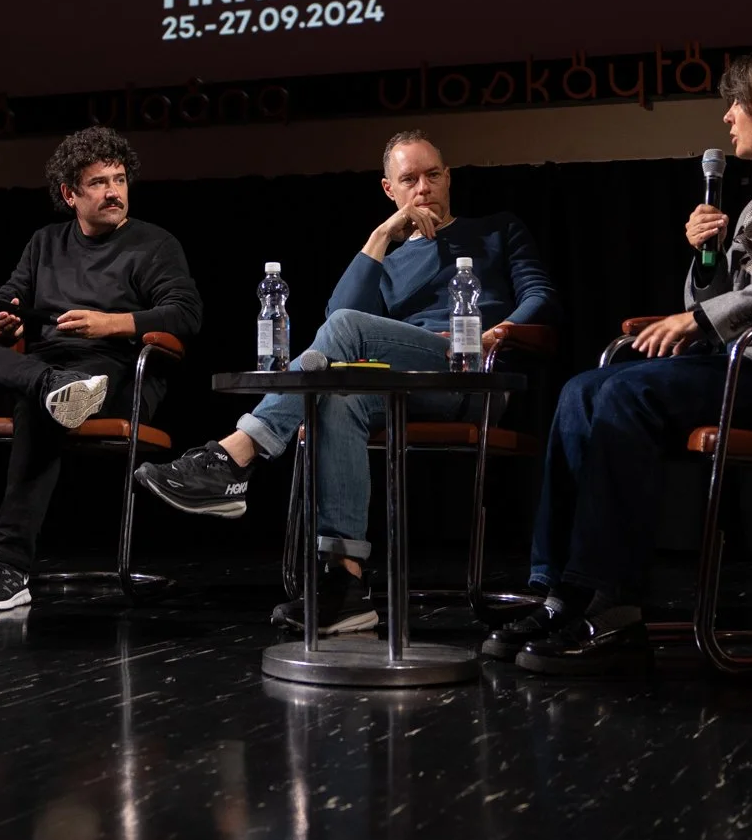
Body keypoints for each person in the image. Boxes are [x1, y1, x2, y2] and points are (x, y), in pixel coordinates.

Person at [495, 45, 752, 674]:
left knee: (626, 394)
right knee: (582, 390)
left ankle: (612, 603)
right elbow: (712, 301)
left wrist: (706, 315)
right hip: (747, 362)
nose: (729, 116)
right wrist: (705, 256)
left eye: (739, 102)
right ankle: (560, 591)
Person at [136, 130, 556, 634]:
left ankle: (235, 455)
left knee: (345, 331)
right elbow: (340, 314)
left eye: (433, 175)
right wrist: (383, 237)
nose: (423, 188)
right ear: (389, 190)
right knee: (333, 400)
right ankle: (346, 587)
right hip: (407, 384)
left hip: (472, 375)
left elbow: (540, 292)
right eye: (409, 179)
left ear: (449, 178)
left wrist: (498, 332)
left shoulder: (496, 229)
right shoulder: (390, 258)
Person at [0, 126, 202, 613]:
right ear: (70, 194)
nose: (113, 192)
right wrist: (2, 314)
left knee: (40, 409)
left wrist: (111, 323)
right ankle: (53, 387)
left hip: (115, 373)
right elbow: (8, 296)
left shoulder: (154, 244)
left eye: (119, 180)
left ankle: (8, 567)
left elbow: (186, 314)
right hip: (47, 368)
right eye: (99, 183)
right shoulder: (45, 243)